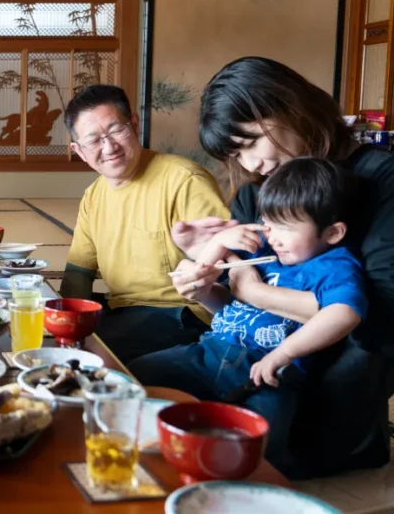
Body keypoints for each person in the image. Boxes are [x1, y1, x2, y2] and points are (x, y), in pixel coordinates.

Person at [172, 56, 394, 477]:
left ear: (290, 105)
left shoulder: (381, 178)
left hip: (338, 377)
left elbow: (382, 315)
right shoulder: (255, 196)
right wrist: (202, 270)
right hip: (252, 358)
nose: (251, 164)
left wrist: (255, 292)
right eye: (237, 153)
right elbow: (236, 311)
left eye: (252, 141)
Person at [131, 158, 366, 477]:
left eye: (287, 227)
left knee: (260, 443)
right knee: (137, 374)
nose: (274, 237)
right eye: (268, 224)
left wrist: (282, 355)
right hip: (209, 352)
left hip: (265, 375)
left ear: (333, 232)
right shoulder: (265, 250)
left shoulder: (335, 266)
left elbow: (344, 313)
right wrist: (215, 249)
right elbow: (216, 292)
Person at [59, 84, 230, 364]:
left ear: (135, 124)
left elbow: (227, 269)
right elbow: (79, 272)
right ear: (79, 150)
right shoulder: (94, 195)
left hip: (182, 312)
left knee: (89, 356)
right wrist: (65, 323)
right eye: (94, 140)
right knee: (54, 336)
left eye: (116, 130)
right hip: (122, 308)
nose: (109, 147)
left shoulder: (184, 180)